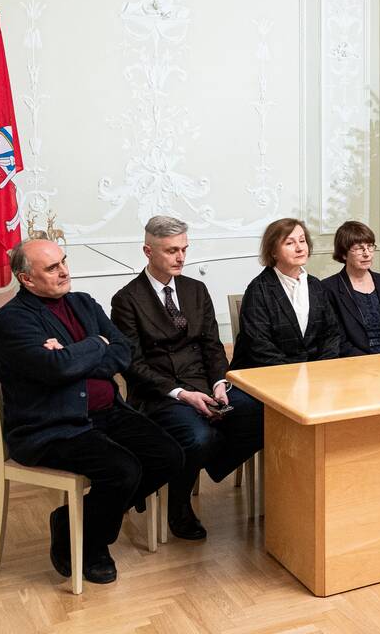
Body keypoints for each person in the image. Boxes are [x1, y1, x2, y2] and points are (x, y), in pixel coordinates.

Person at [0, 239, 183, 584]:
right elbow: (55, 369)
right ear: (26, 279)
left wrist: (72, 353)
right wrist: (96, 345)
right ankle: (93, 544)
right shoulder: (12, 320)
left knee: (169, 455)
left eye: (64, 261)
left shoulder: (83, 303)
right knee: (123, 470)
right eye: (52, 268)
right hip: (51, 426)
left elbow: (123, 353)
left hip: (107, 412)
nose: (64, 271)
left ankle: (73, 521)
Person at [110, 216, 265, 541]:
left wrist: (220, 383)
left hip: (206, 386)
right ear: (148, 251)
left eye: (184, 249)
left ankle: (185, 467)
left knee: (260, 414)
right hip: (160, 395)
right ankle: (178, 505)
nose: (180, 257)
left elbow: (212, 346)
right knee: (199, 437)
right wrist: (183, 394)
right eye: (171, 251)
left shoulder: (196, 290)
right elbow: (132, 365)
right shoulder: (126, 299)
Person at [230, 218, 342, 368]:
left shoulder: (316, 286)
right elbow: (259, 347)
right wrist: (299, 374)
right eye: (290, 243)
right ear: (273, 252)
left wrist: (320, 369)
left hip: (317, 374)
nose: (300, 248)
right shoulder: (258, 289)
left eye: (302, 241)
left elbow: (332, 334)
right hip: (268, 375)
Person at [323, 221, 380, 356]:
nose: (367, 254)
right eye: (359, 248)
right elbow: (339, 342)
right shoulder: (329, 289)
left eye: (370, 246)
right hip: (354, 364)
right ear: (344, 254)